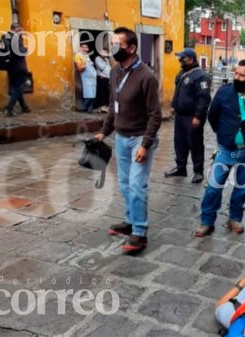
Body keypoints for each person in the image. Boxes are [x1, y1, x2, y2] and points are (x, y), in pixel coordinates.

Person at [94, 27, 162, 253]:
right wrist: (105, 131)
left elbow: (155, 115)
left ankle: (140, 234)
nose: (112, 48)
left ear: (131, 48)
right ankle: (131, 221)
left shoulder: (147, 77)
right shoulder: (115, 72)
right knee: (124, 184)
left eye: (118, 45)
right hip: (121, 138)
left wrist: (145, 144)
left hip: (139, 139)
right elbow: (114, 105)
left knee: (136, 184)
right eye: (111, 43)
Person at [196, 59, 245, 237]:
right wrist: (224, 134)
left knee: (242, 187)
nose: (237, 77)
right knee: (213, 186)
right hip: (225, 149)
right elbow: (213, 116)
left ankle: (235, 218)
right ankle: (207, 221)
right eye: (236, 73)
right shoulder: (224, 93)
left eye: (242, 75)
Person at [164, 48, 212, 183]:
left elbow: (204, 98)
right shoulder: (182, 74)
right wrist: (173, 106)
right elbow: (177, 91)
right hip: (180, 115)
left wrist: (198, 116)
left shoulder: (201, 76)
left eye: (183, 59)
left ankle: (198, 172)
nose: (180, 61)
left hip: (192, 116)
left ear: (191, 59)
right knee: (179, 142)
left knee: (195, 143)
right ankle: (181, 167)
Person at [4, 23, 31, 117]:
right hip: (19, 67)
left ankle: (24, 107)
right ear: (17, 29)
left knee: (17, 87)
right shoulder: (16, 38)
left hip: (10, 67)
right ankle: (9, 108)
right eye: (21, 30)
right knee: (20, 87)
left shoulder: (6, 36)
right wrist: (25, 49)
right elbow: (18, 52)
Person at [74, 43, 97, 112]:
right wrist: (83, 66)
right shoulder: (78, 56)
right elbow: (79, 68)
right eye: (82, 47)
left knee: (92, 92)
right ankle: (83, 108)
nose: (84, 48)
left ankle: (90, 109)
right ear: (80, 48)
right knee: (88, 93)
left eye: (86, 47)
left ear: (88, 49)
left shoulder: (87, 56)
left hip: (92, 78)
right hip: (86, 77)